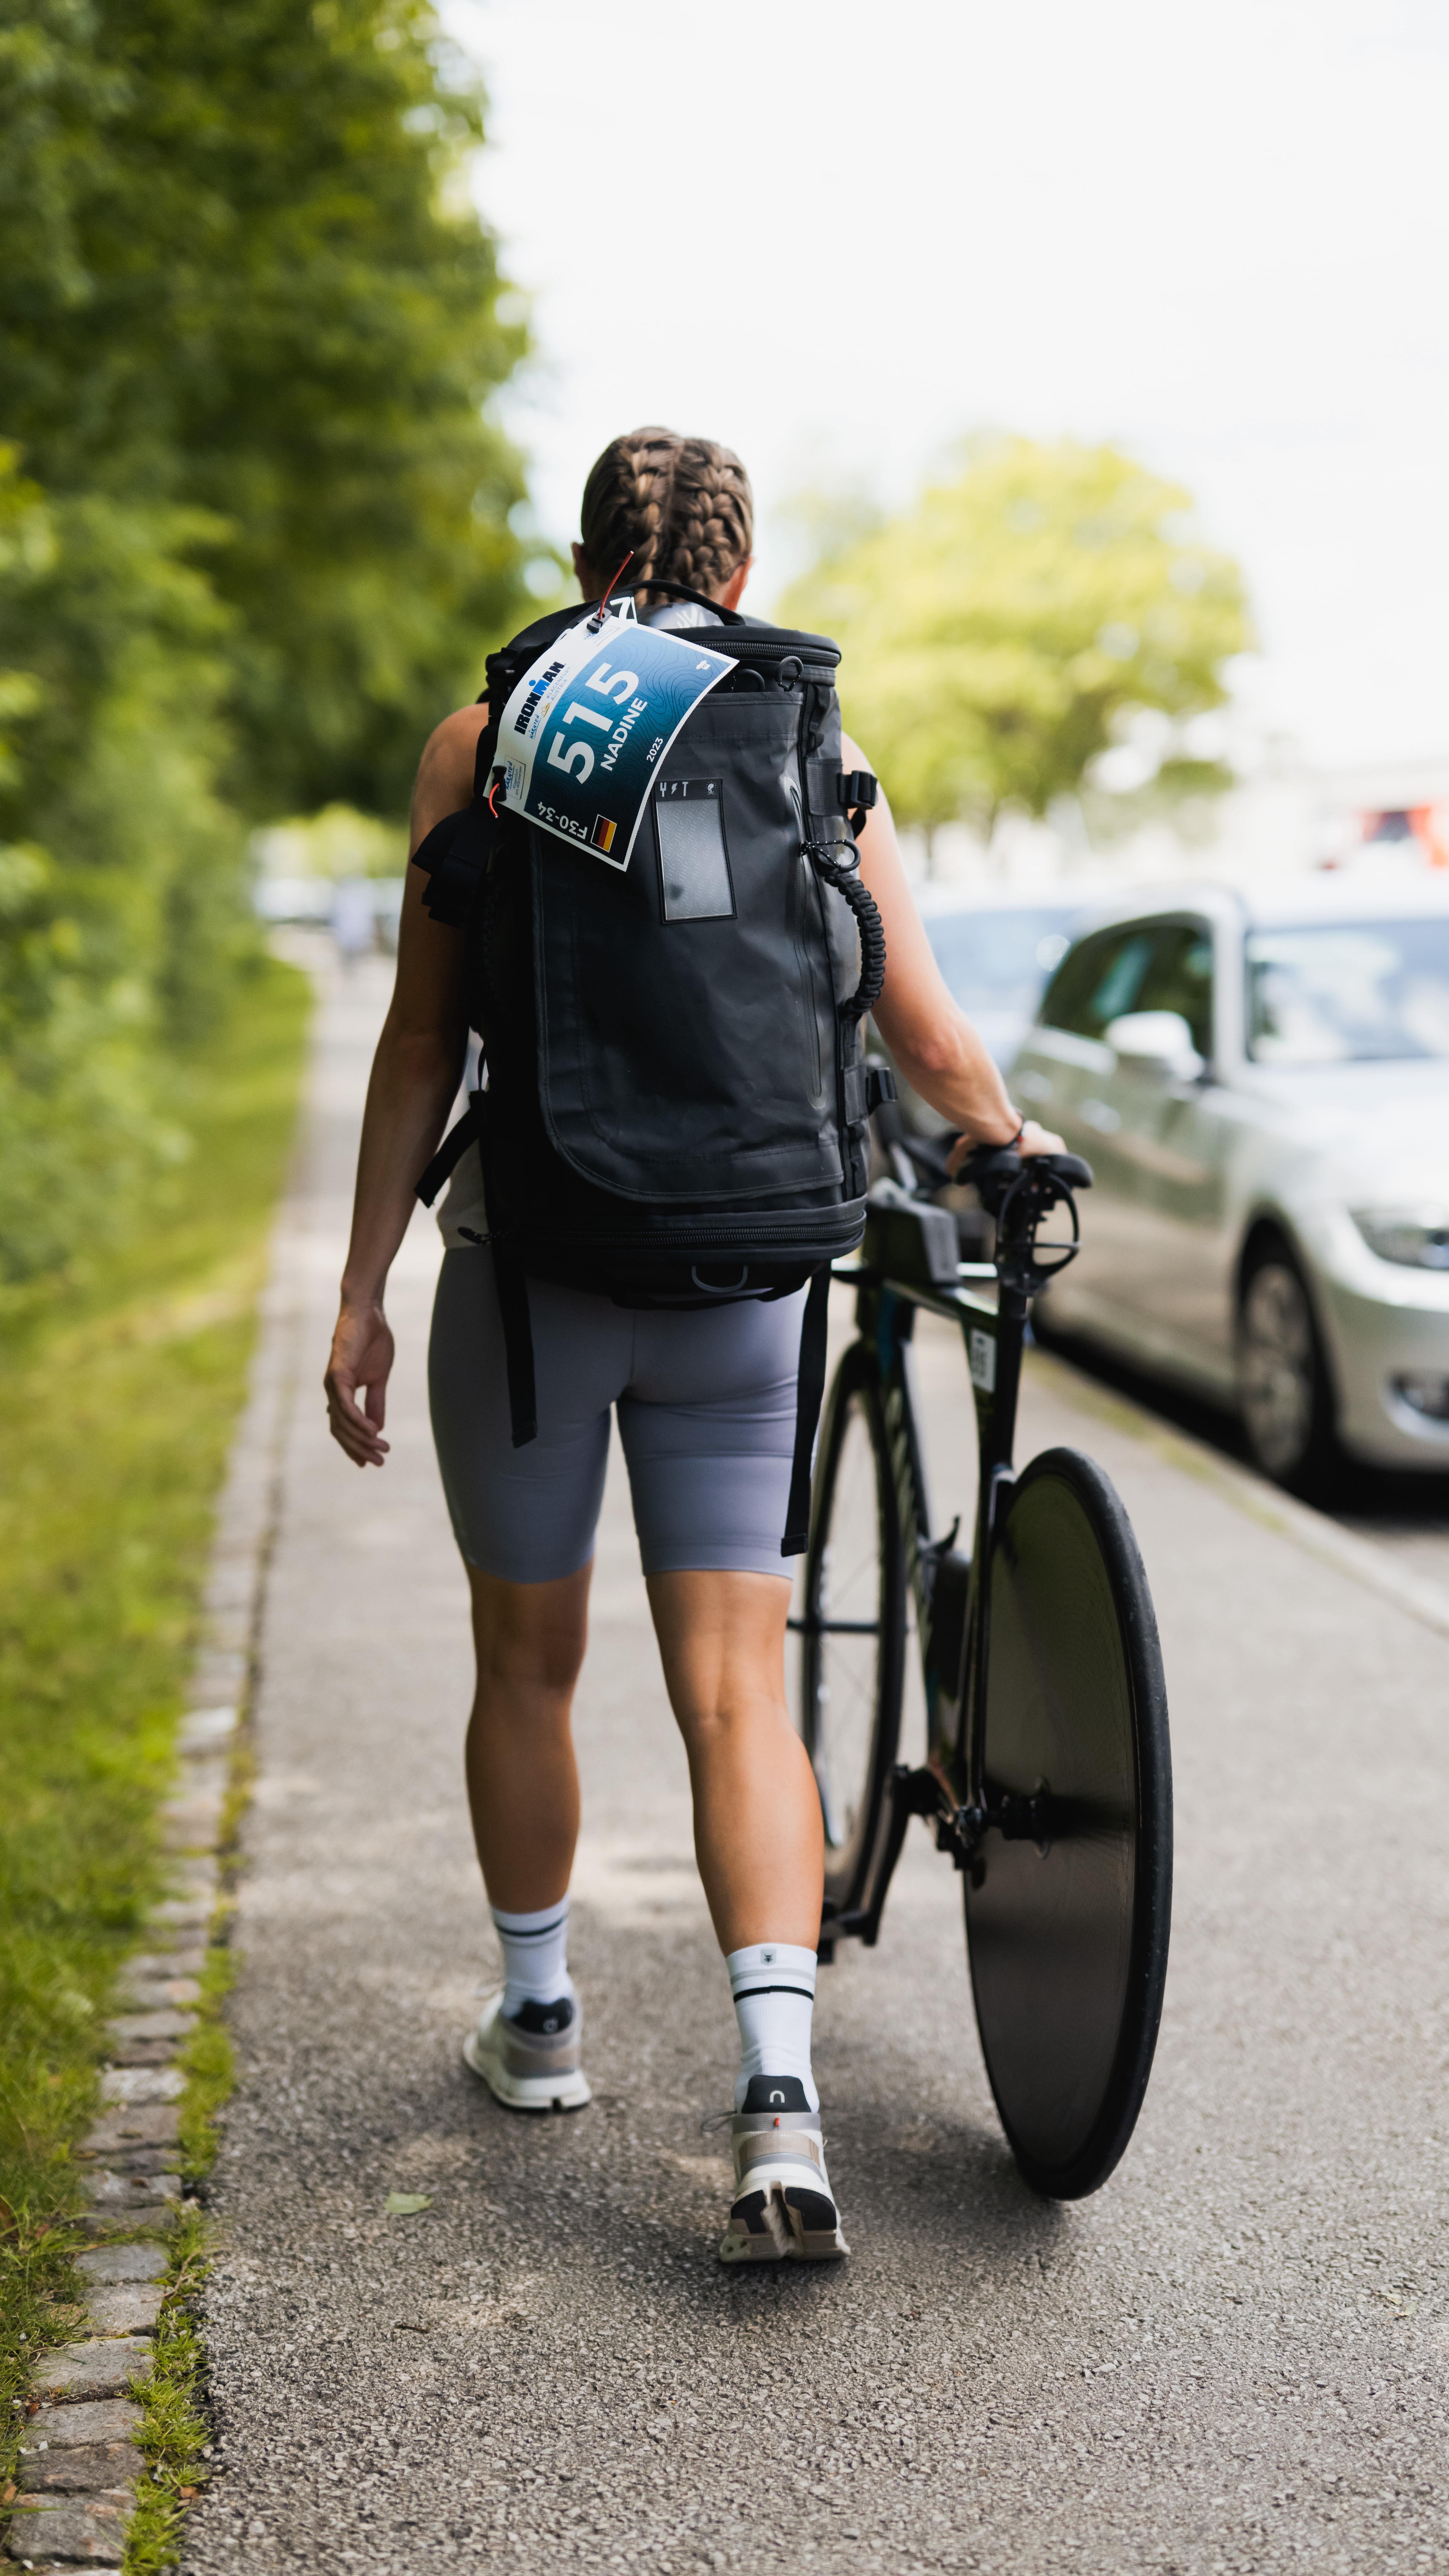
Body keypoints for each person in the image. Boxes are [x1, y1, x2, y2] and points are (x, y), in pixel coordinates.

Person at [324, 426, 1063, 2263]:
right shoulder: (811, 735)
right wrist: (999, 1141)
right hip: (748, 1277)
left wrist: (357, 1288)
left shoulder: (485, 737)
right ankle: (779, 2100)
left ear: (584, 562)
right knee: (732, 1681)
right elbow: (917, 1020)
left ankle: (542, 2019)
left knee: (530, 1663)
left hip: (529, 1265)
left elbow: (421, 1044)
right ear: (741, 574)